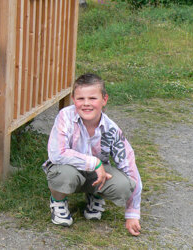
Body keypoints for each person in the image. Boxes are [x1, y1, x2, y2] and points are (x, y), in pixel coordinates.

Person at [43, 73, 143, 236]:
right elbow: (56, 153)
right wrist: (94, 163)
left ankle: (94, 194)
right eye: (81, 98)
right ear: (73, 99)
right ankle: (58, 201)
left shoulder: (112, 130)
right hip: (69, 169)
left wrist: (132, 213)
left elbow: (130, 167)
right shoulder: (65, 116)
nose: (86, 104)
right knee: (62, 175)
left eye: (92, 98)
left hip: (97, 175)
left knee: (125, 184)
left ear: (104, 100)